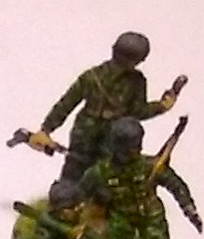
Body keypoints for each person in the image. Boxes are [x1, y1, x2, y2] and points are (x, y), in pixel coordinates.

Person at [24, 33, 181, 181]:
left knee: (77, 175)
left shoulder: (93, 76)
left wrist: (46, 130)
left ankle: (67, 196)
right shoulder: (135, 81)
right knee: (99, 178)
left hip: (92, 132)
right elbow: (138, 112)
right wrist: (161, 106)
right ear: (138, 60)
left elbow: (66, 104)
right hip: (108, 135)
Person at [82, 115, 201, 239]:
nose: (135, 151)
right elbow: (79, 194)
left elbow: (176, 185)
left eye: (137, 146)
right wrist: (93, 204)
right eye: (130, 148)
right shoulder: (100, 172)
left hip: (150, 215)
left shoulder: (149, 166)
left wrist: (189, 208)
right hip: (120, 218)